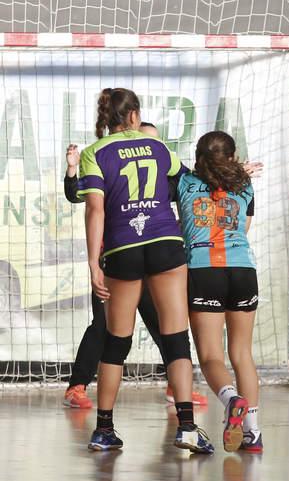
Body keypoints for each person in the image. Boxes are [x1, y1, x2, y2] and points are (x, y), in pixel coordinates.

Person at [79, 87, 213, 453]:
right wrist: (234, 175)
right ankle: (186, 427)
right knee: (175, 338)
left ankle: (104, 430)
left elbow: (95, 210)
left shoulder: (94, 153)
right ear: (135, 115)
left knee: (116, 342)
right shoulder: (158, 147)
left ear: (107, 117)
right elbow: (187, 181)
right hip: (165, 243)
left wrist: (93, 262)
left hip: (123, 247)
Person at [62, 123, 208, 409]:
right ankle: (77, 386)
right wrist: (71, 170)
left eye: (152, 141)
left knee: (164, 327)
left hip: (153, 263)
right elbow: (79, 195)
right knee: (103, 328)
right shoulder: (109, 170)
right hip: (119, 263)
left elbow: (194, 190)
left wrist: (231, 177)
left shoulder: (166, 180)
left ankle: (177, 388)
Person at [176, 131, 262, 453]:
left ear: (198, 156)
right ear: (233, 155)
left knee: (211, 354)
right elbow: (246, 227)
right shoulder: (245, 184)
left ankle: (231, 399)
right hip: (243, 269)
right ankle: (253, 433)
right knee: (242, 353)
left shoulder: (184, 182)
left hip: (203, 268)